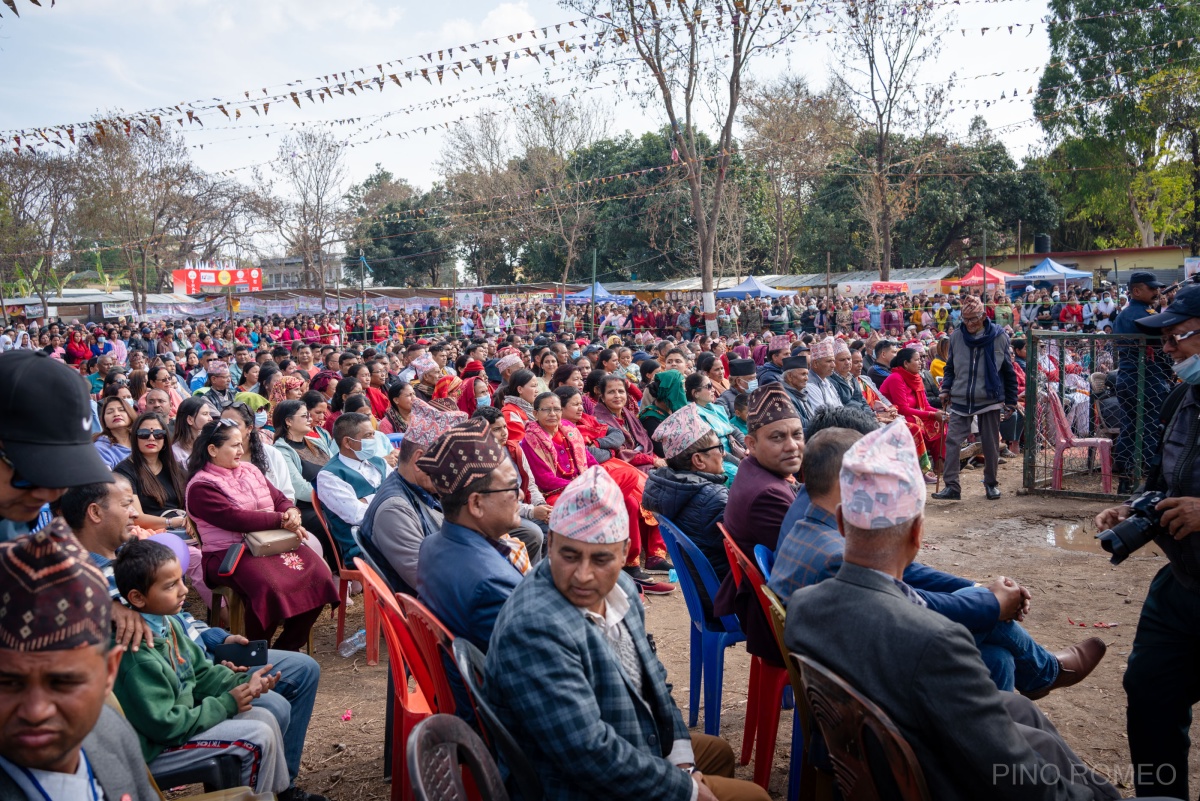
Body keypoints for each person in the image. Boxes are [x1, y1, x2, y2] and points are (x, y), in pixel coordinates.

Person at [784, 421, 1128, 801]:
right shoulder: (938, 642)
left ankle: (1044, 678)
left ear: (840, 523)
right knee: (1042, 747)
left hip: (874, 758)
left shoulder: (803, 607)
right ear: (917, 533)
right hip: (927, 778)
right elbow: (1020, 782)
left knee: (1022, 711)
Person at [484, 467, 771, 801]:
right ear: (550, 544)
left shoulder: (620, 589)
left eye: (601, 558)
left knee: (717, 754)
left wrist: (681, 762)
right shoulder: (534, 626)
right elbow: (589, 755)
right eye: (569, 555)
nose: (584, 575)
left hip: (627, 737)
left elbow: (653, 678)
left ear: (624, 554)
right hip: (575, 786)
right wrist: (687, 789)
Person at [770, 425, 1104, 696]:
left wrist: (977, 590)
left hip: (848, 662)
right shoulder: (835, 556)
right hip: (866, 685)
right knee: (989, 628)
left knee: (998, 658)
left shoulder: (810, 516)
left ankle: (1026, 693)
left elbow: (904, 577)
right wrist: (989, 603)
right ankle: (1042, 675)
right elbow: (915, 610)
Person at [1094, 283, 1200, 798]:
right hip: (1182, 586)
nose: (1169, 348)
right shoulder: (1183, 397)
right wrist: (1132, 508)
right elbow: (1164, 480)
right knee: (1150, 688)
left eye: (1180, 336)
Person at [110, 539, 297, 797]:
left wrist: (243, 682)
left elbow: (201, 673)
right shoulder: (137, 656)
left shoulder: (169, 624)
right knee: (256, 736)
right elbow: (167, 726)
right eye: (170, 586)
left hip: (180, 727)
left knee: (265, 717)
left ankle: (268, 796)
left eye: (181, 580)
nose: (183, 590)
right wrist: (227, 704)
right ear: (137, 598)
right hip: (155, 750)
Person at [0, 526, 159, 801]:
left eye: (63, 682)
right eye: (8, 683)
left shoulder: (110, 732)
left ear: (109, 671)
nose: (36, 711)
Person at [186, 419, 338, 650]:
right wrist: (282, 520)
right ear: (213, 450)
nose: (240, 450)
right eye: (234, 445)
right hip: (229, 553)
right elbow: (234, 518)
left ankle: (286, 648)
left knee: (319, 575)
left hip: (271, 544)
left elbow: (278, 498)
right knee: (269, 587)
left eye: (241, 444)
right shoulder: (201, 486)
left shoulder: (250, 469)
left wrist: (291, 510)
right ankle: (257, 650)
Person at [714, 384, 803, 665]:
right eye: (777, 437)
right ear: (750, 444)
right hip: (777, 622)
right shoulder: (768, 494)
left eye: (797, 435)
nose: (792, 445)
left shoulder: (753, 469)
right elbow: (809, 565)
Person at [358, 401, 460, 594]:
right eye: (447, 464)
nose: (451, 473)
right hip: (436, 612)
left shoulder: (423, 487)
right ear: (419, 460)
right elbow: (429, 581)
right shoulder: (394, 509)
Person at [933, 294, 1019, 502]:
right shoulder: (956, 337)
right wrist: (946, 389)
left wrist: (1011, 400)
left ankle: (991, 484)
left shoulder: (999, 336)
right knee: (952, 441)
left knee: (989, 443)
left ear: (983, 316)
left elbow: (1008, 371)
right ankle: (952, 486)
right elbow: (950, 368)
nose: (969, 324)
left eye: (973, 319)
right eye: (965, 319)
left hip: (988, 397)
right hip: (961, 397)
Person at [643, 404, 731, 581]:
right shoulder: (712, 499)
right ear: (698, 460)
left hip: (705, 588)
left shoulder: (674, 489)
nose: (724, 454)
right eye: (719, 448)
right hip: (727, 593)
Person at [1113, 271, 1172, 494]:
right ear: (1136, 291)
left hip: (1129, 377)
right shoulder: (1142, 312)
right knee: (1150, 426)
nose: (1157, 292)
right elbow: (1163, 329)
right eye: (1152, 288)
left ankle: (1125, 477)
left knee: (1130, 426)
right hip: (1145, 377)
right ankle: (1147, 478)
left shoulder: (1128, 313)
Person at [314, 412, 388, 564]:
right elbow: (357, 515)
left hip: (391, 534)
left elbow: (402, 493)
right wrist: (386, 497)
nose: (373, 440)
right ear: (348, 442)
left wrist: (366, 500)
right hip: (362, 545)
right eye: (368, 436)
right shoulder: (329, 475)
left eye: (373, 434)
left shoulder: (379, 462)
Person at [879, 347, 947, 484]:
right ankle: (922, 470)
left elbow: (925, 405)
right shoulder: (896, 378)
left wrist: (939, 412)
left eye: (921, 359)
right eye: (917, 360)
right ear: (906, 363)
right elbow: (903, 409)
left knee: (941, 421)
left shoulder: (916, 378)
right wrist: (932, 415)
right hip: (896, 417)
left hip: (913, 414)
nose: (921, 362)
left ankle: (940, 464)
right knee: (917, 425)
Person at [171, 395, 215, 465]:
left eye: (209, 414)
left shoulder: (211, 442)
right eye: (205, 414)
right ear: (190, 419)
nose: (210, 418)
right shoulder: (176, 452)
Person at [93, 395, 133, 469]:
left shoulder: (141, 441)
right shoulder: (101, 448)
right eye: (110, 412)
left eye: (121, 410)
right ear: (104, 421)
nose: (116, 414)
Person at [803, 338, 842, 412]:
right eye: (829, 361)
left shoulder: (828, 381)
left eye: (833, 361)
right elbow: (822, 416)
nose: (833, 365)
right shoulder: (809, 385)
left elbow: (840, 406)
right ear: (815, 364)